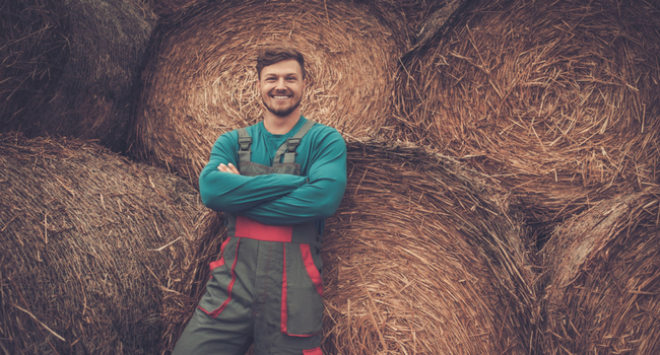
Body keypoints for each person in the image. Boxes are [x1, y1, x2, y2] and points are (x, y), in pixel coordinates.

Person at [172, 46, 347, 355]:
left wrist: (238, 193)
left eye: (290, 78)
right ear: (259, 86)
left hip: (293, 294)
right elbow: (212, 191)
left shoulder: (324, 140)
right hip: (230, 289)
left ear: (304, 84)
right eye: (272, 78)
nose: (281, 86)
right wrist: (295, 182)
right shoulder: (232, 141)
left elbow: (323, 200)